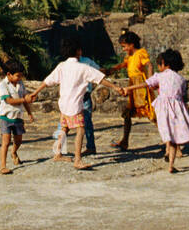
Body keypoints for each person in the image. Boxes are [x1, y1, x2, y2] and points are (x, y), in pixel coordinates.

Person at [27, 38, 125, 170]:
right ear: (78, 51)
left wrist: (35, 92)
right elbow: (100, 79)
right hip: (75, 105)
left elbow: (48, 80)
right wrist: (116, 88)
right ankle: (77, 160)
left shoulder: (62, 66)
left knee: (64, 128)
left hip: (63, 104)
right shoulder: (83, 68)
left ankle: (58, 153)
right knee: (81, 130)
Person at [126, 48, 189, 172]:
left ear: (165, 64)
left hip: (163, 109)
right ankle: (188, 147)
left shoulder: (160, 76)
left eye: (159, 64)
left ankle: (171, 165)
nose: (159, 67)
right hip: (177, 107)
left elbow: (146, 83)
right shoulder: (181, 79)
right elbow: (182, 96)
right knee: (178, 133)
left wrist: (130, 88)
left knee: (169, 137)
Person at [107, 30, 156, 150]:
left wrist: (150, 81)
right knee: (127, 114)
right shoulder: (129, 56)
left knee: (151, 114)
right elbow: (123, 65)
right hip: (133, 86)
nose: (123, 49)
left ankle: (173, 141)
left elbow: (149, 65)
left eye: (124, 46)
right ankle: (125, 141)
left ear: (131, 45)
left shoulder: (140, 53)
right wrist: (110, 70)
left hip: (140, 88)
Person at [0, 60, 34, 174]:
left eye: (21, 75)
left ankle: (14, 152)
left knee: (18, 140)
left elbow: (24, 98)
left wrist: (29, 112)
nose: (19, 78)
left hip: (18, 116)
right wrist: (24, 99)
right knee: (6, 141)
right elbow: (9, 100)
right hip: (5, 117)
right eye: (18, 75)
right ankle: (3, 166)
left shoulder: (20, 84)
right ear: (9, 74)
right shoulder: (2, 85)